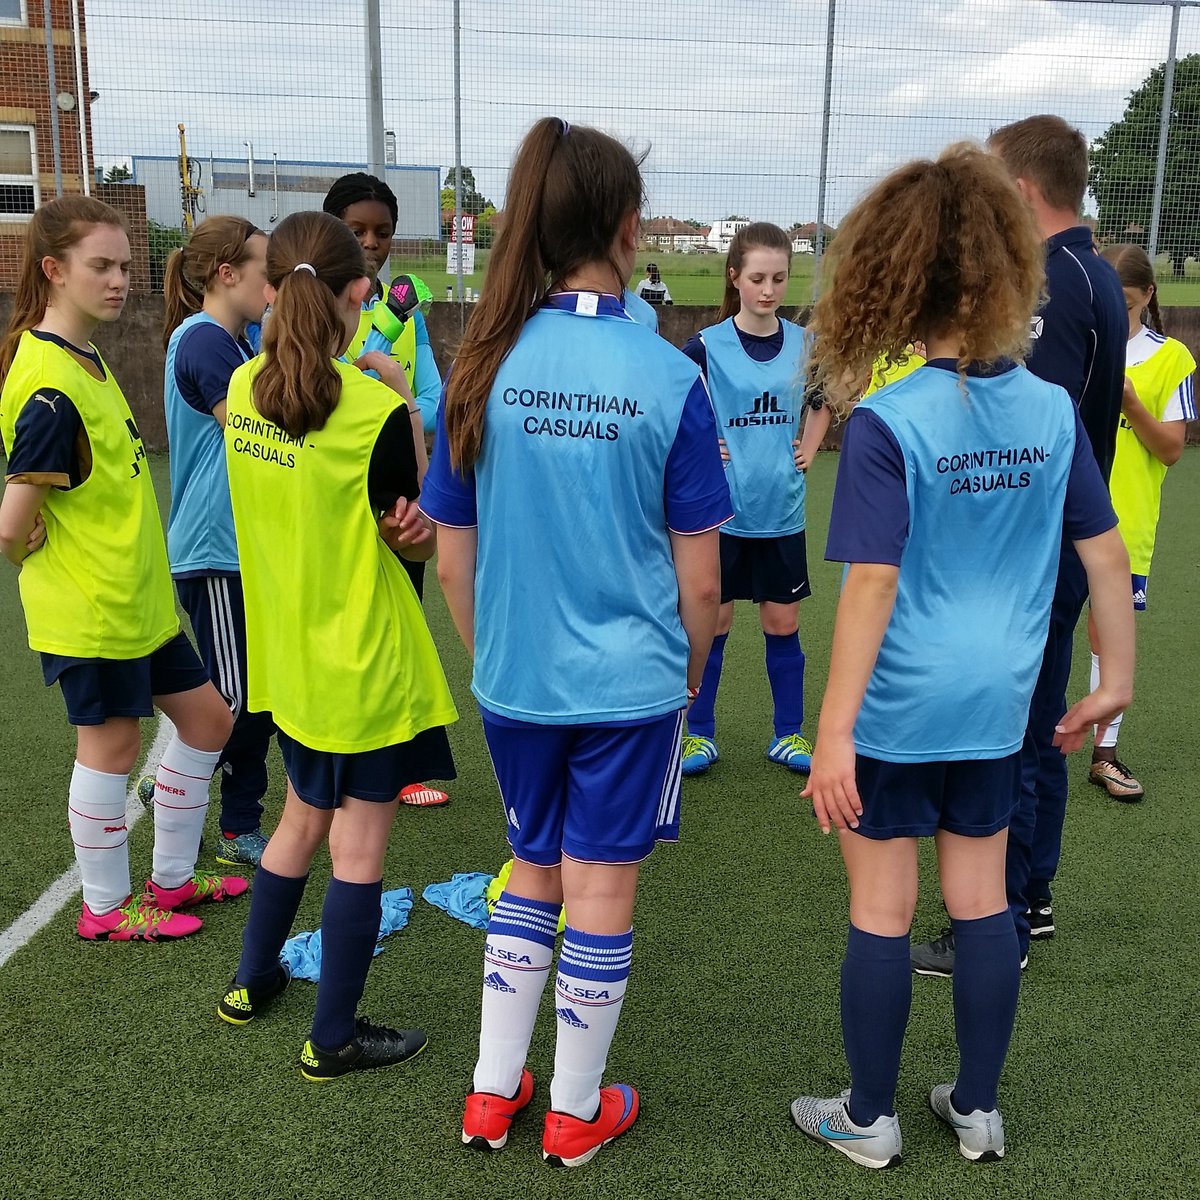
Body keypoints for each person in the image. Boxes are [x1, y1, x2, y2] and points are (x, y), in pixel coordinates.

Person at [786, 143, 1134, 1169]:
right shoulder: (1052, 409)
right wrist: (1115, 680)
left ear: (892, 277)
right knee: (982, 898)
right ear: (1006, 269)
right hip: (1002, 699)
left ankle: (870, 1116)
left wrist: (834, 733)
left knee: (883, 909)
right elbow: (1106, 554)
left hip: (898, 705)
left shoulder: (890, 421)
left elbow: (873, 585)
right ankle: (976, 1109)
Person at [420, 117, 729, 1167]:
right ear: (631, 227)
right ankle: (573, 1111)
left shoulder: (481, 366)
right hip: (630, 687)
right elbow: (701, 579)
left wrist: (492, 660)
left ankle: (489, 1095)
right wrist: (683, 685)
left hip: (516, 684)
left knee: (528, 870)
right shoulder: (671, 376)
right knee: (600, 887)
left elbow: (450, 560)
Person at [214, 210, 458, 1079]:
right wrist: (395, 393)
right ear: (362, 292)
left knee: (297, 820)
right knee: (358, 851)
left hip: (289, 655)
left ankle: (250, 982)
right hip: (362, 662)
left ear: (275, 291)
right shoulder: (373, 411)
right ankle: (334, 1036)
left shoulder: (244, 391)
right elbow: (418, 528)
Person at [912, 114, 1127, 971]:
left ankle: (1000, 918)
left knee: (1021, 736)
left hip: (1040, 557)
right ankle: (1023, 904)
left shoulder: (1060, 284)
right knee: (1035, 730)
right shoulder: (1094, 272)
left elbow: (1024, 435)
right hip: (1060, 551)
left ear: (1023, 191)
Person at [0, 196, 244, 941]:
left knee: (208, 722)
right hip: (92, 610)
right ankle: (105, 909)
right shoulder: (48, 384)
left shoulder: (90, 358)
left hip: (140, 605)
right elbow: (13, 519)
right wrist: (22, 544)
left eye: (123, 266)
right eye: (100, 266)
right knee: (111, 749)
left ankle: (170, 882)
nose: (117, 281)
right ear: (53, 271)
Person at [678, 222, 830, 778]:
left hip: (780, 512)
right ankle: (699, 734)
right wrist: (701, 442)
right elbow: (675, 402)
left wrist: (810, 449)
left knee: (782, 624)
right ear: (735, 277)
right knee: (712, 624)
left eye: (780, 279)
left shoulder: (805, 344)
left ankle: (787, 734)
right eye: (758, 278)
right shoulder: (707, 346)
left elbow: (821, 399)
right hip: (722, 515)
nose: (769, 290)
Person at [323, 171, 455, 808]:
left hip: (393, 484)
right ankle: (323, 748)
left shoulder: (408, 309)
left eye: (381, 231)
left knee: (400, 617)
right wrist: (379, 385)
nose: (371, 243)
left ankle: (397, 765)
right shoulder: (307, 304)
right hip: (329, 489)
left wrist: (387, 391)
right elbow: (305, 391)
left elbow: (432, 402)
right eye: (356, 231)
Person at [158, 216, 274, 868]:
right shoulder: (203, 343)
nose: (273, 286)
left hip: (239, 551)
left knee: (256, 697)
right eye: (264, 272)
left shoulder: (232, 340)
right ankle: (180, 781)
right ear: (227, 274)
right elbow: (257, 435)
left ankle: (232, 819)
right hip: (214, 551)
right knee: (232, 699)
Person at [1085, 243, 1195, 800]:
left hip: (1126, 525)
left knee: (1109, 635)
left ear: (1147, 296)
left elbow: (1172, 449)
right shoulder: (1079, 343)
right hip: (1057, 516)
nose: (1116, 312)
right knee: (1035, 628)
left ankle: (1105, 753)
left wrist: (1129, 404)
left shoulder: (1173, 358)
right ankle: (1014, 746)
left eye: (1126, 303)